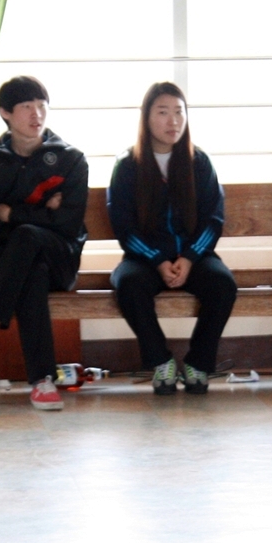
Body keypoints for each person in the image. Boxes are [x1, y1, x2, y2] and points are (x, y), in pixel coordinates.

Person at [0, 76, 88, 411]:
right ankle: (42, 383)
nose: (36, 114)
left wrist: (12, 214)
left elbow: (68, 225)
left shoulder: (71, 160)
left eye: (41, 105)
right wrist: (44, 213)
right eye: (26, 106)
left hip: (62, 260)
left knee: (26, 237)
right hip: (14, 265)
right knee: (31, 270)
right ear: (5, 113)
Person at [107, 82, 237, 395]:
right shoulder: (127, 165)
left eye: (179, 112)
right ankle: (160, 361)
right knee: (128, 284)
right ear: (147, 118)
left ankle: (198, 364)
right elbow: (123, 226)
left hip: (195, 257)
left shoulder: (199, 162)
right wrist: (158, 260)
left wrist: (189, 259)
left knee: (223, 284)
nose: (173, 121)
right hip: (145, 259)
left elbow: (214, 219)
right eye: (163, 112)